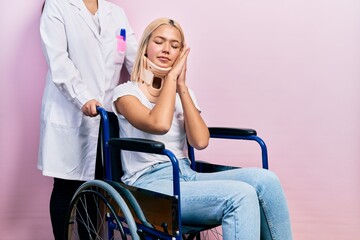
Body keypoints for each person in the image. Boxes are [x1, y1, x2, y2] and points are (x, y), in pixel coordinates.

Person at [112, 17, 292, 240]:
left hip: (187, 175)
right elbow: (159, 124)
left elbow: (200, 141)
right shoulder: (126, 94)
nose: (166, 49)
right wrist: (170, 79)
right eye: (159, 41)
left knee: (267, 180)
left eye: (175, 46)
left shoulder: (182, 94)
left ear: (181, 54)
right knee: (241, 195)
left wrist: (182, 87)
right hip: (149, 185)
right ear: (145, 47)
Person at [38, 0, 137, 239]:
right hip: (69, 111)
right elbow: (59, 62)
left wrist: (160, 89)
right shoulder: (57, 6)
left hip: (105, 119)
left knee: (95, 189)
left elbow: (135, 58)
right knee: (65, 188)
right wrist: (83, 98)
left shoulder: (116, 13)